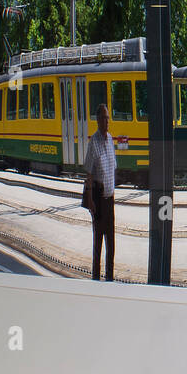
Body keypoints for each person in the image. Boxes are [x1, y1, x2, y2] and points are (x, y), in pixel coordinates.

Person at [83, 103, 117, 281]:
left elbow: (112, 169)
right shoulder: (93, 143)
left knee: (111, 243)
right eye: (103, 118)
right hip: (98, 200)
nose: (106, 121)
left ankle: (109, 278)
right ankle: (96, 279)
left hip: (110, 199)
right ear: (97, 120)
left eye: (108, 118)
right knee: (98, 243)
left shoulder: (110, 139)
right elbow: (89, 173)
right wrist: (90, 200)